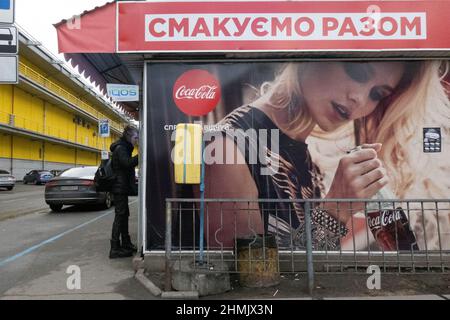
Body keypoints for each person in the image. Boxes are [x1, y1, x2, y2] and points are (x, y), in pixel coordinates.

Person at [203, 60, 450, 250]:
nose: (359, 98)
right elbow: (250, 284)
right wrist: (336, 208)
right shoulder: (231, 146)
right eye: (357, 72)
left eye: (377, 94)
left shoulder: (303, 152)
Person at [109, 126, 139, 259]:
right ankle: (114, 248)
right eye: (135, 138)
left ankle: (126, 243)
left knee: (124, 215)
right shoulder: (121, 148)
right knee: (120, 216)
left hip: (122, 187)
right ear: (128, 136)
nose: (136, 141)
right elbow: (127, 163)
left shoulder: (124, 147)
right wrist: (141, 154)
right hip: (119, 188)